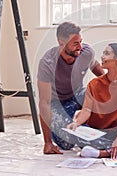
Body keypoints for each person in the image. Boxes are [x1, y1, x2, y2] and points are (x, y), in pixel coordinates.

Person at [37, 22, 104, 154]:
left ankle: (97, 133)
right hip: (58, 103)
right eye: (75, 43)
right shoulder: (47, 63)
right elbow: (44, 103)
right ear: (61, 43)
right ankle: (81, 134)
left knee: (99, 91)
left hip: (78, 94)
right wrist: (47, 142)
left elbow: (100, 73)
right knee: (66, 144)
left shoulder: (86, 52)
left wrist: (115, 85)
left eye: (80, 41)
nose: (80, 47)